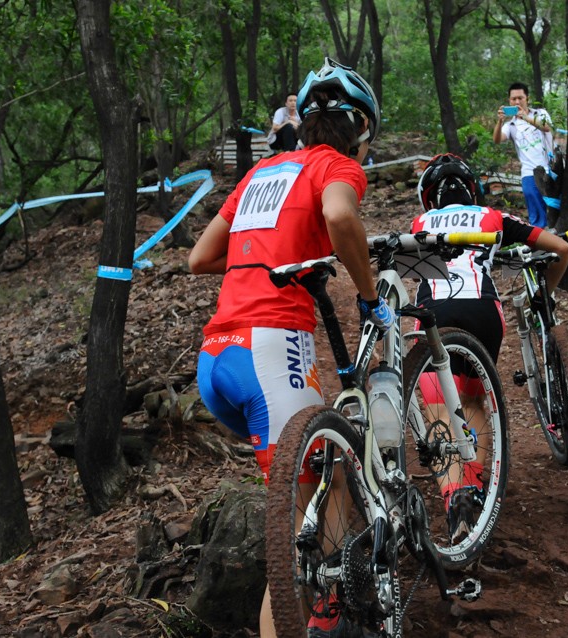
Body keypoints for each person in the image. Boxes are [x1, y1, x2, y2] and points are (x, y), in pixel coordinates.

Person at [189, 59, 392, 638]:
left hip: (217, 358)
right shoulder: (338, 165)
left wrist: (265, 256)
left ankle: (328, 610)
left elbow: (200, 258)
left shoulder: (261, 174)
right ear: (361, 128)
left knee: (310, 500)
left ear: (301, 121)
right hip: (269, 352)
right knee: (300, 542)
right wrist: (369, 293)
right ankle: (322, 617)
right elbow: (337, 215)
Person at [411, 153, 568, 539]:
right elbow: (561, 249)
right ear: (473, 190)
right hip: (484, 310)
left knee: (437, 407)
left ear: (430, 198)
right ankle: (477, 486)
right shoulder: (491, 216)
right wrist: (543, 296)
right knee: (472, 401)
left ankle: (455, 497)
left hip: (435, 311)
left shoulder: (420, 222)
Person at [492, 82, 555, 228]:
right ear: (509, 101)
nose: (517, 102)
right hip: (528, 172)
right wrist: (499, 122)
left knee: (554, 208)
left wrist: (525, 117)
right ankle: (540, 242)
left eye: (520, 98)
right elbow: (497, 140)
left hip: (550, 169)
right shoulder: (510, 125)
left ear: (527, 98)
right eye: (513, 99)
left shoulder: (541, 114)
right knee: (536, 214)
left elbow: (546, 127)